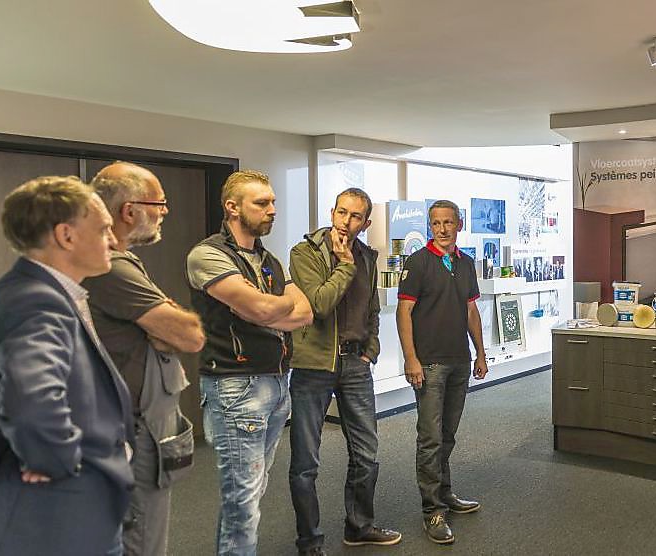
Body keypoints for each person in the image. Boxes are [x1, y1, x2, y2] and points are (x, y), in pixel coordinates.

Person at [0, 176, 133, 555]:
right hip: (57, 515)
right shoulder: (36, 301)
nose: (114, 240)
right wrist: (56, 459)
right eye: (103, 229)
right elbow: (30, 402)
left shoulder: (28, 291)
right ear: (66, 236)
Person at [186, 170, 313, 556]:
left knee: (251, 493)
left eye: (273, 202)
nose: (272, 210)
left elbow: (305, 312)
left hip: (276, 384)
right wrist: (273, 306)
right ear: (232, 207)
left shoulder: (269, 259)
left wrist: (268, 308)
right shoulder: (208, 255)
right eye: (261, 203)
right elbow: (262, 309)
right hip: (235, 387)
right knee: (242, 501)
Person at [85, 162, 206, 556]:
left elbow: (174, 330)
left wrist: (164, 324)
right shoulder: (109, 266)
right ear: (129, 210)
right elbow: (189, 335)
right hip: (134, 433)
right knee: (140, 542)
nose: (165, 211)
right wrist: (166, 325)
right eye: (159, 203)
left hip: (141, 425)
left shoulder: (121, 261)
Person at [287, 188, 401, 556]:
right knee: (306, 462)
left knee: (366, 453)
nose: (345, 222)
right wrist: (344, 264)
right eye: (341, 212)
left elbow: (371, 310)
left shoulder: (367, 256)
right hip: (313, 366)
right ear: (332, 212)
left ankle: (359, 527)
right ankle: (310, 542)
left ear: (366, 223)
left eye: (354, 217)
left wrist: (371, 350)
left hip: (355, 364)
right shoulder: (304, 253)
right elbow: (320, 303)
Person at [396, 199, 489, 545]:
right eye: (435, 223)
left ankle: (445, 494)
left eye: (448, 222)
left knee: (447, 435)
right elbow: (404, 313)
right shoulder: (418, 262)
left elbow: (471, 311)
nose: (442, 229)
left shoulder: (465, 264)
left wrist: (480, 353)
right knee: (430, 439)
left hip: (459, 361)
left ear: (458, 224)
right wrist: (411, 359)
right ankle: (432, 510)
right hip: (430, 364)